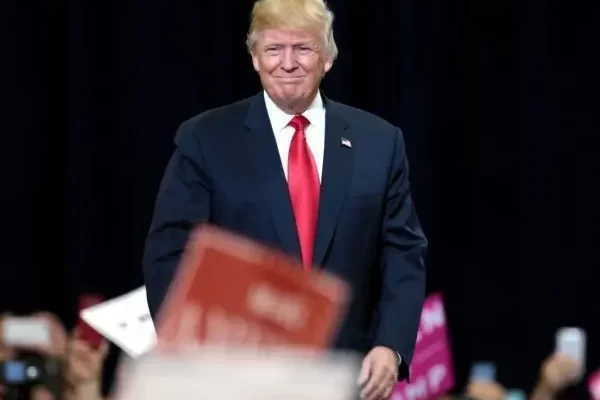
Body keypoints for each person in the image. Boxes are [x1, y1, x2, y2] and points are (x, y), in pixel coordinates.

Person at [142, 0, 427, 398]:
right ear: (255, 58)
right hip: (237, 379)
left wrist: (390, 346)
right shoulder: (206, 140)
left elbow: (402, 252)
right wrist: (195, 358)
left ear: (327, 57)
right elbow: (170, 255)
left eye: (302, 48)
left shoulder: (379, 142)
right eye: (274, 49)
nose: (288, 63)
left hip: (348, 377)